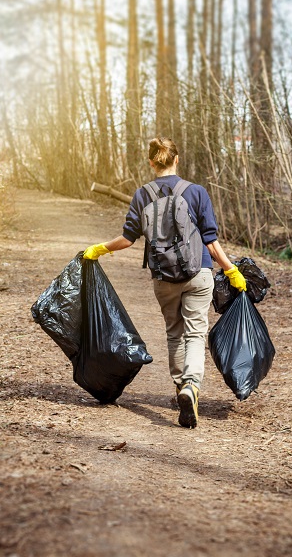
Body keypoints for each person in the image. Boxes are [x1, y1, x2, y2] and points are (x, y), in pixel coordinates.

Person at [83, 137, 246, 429]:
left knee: (175, 334)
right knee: (195, 333)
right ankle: (191, 386)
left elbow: (128, 239)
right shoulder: (196, 192)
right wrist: (231, 270)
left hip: (163, 278)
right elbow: (210, 242)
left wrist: (99, 249)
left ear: (151, 162)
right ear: (177, 159)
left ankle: (180, 386)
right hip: (199, 274)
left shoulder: (141, 195)